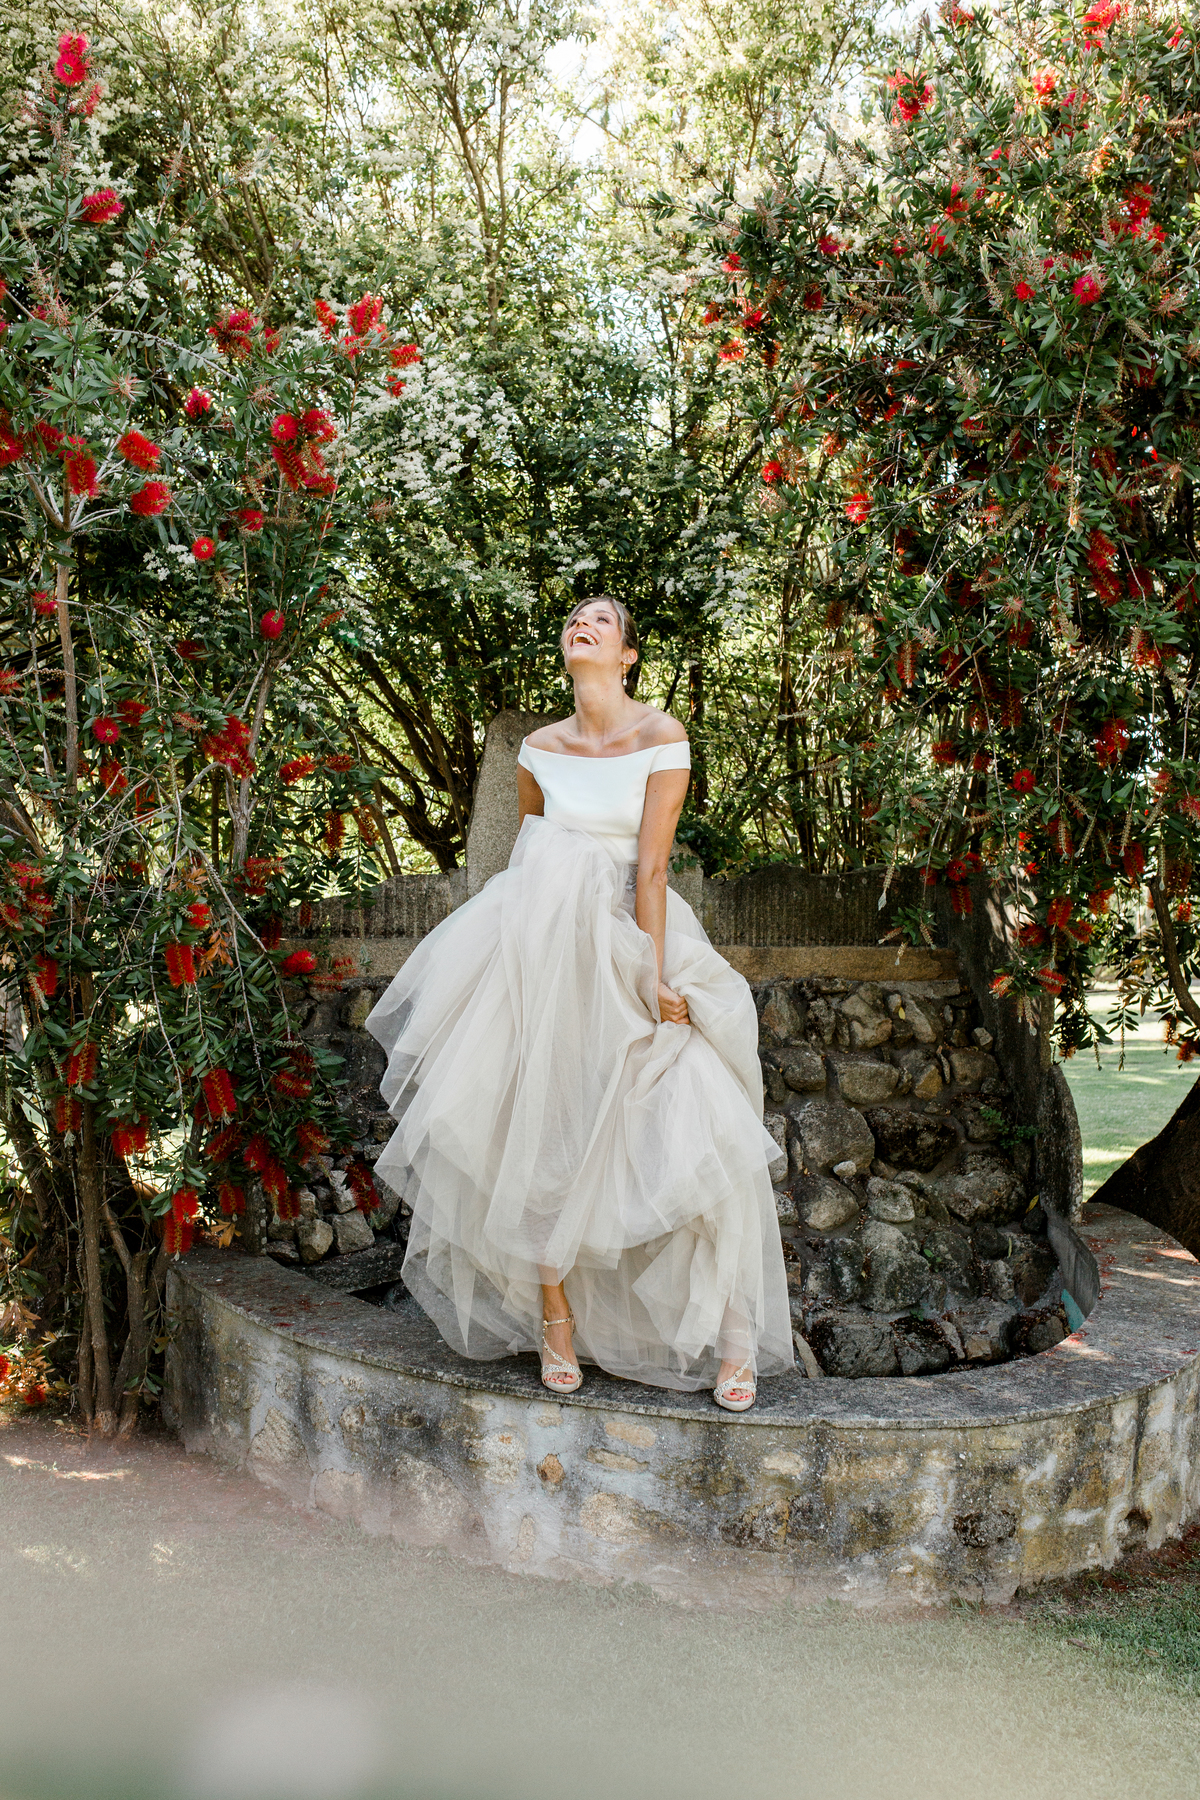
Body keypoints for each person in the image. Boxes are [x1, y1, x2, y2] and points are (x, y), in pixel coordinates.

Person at [366, 596, 792, 1410]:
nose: (581, 626)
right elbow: (533, 849)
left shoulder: (662, 739)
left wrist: (655, 972)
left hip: (634, 936)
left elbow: (652, 869)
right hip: (539, 953)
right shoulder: (538, 748)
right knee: (534, 1124)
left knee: (702, 1116)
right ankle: (555, 1319)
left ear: (627, 655)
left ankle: (737, 1333)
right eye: (573, 620)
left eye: (600, 621)